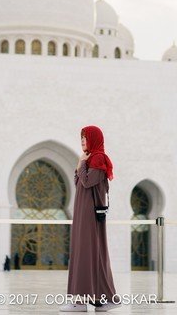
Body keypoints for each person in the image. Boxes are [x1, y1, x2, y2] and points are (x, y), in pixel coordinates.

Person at [61, 126, 119, 312]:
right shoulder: (91, 158)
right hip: (84, 213)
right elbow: (78, 182)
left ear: (94, 139)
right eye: (82, 138)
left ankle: (80, 301)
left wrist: (80, 163)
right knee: (91, 254)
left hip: (89, 215)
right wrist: (81, 165)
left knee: (86, 253)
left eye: (86, 138)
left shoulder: (98, 158)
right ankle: (101, 300)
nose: (83, 141)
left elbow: (86, 181)